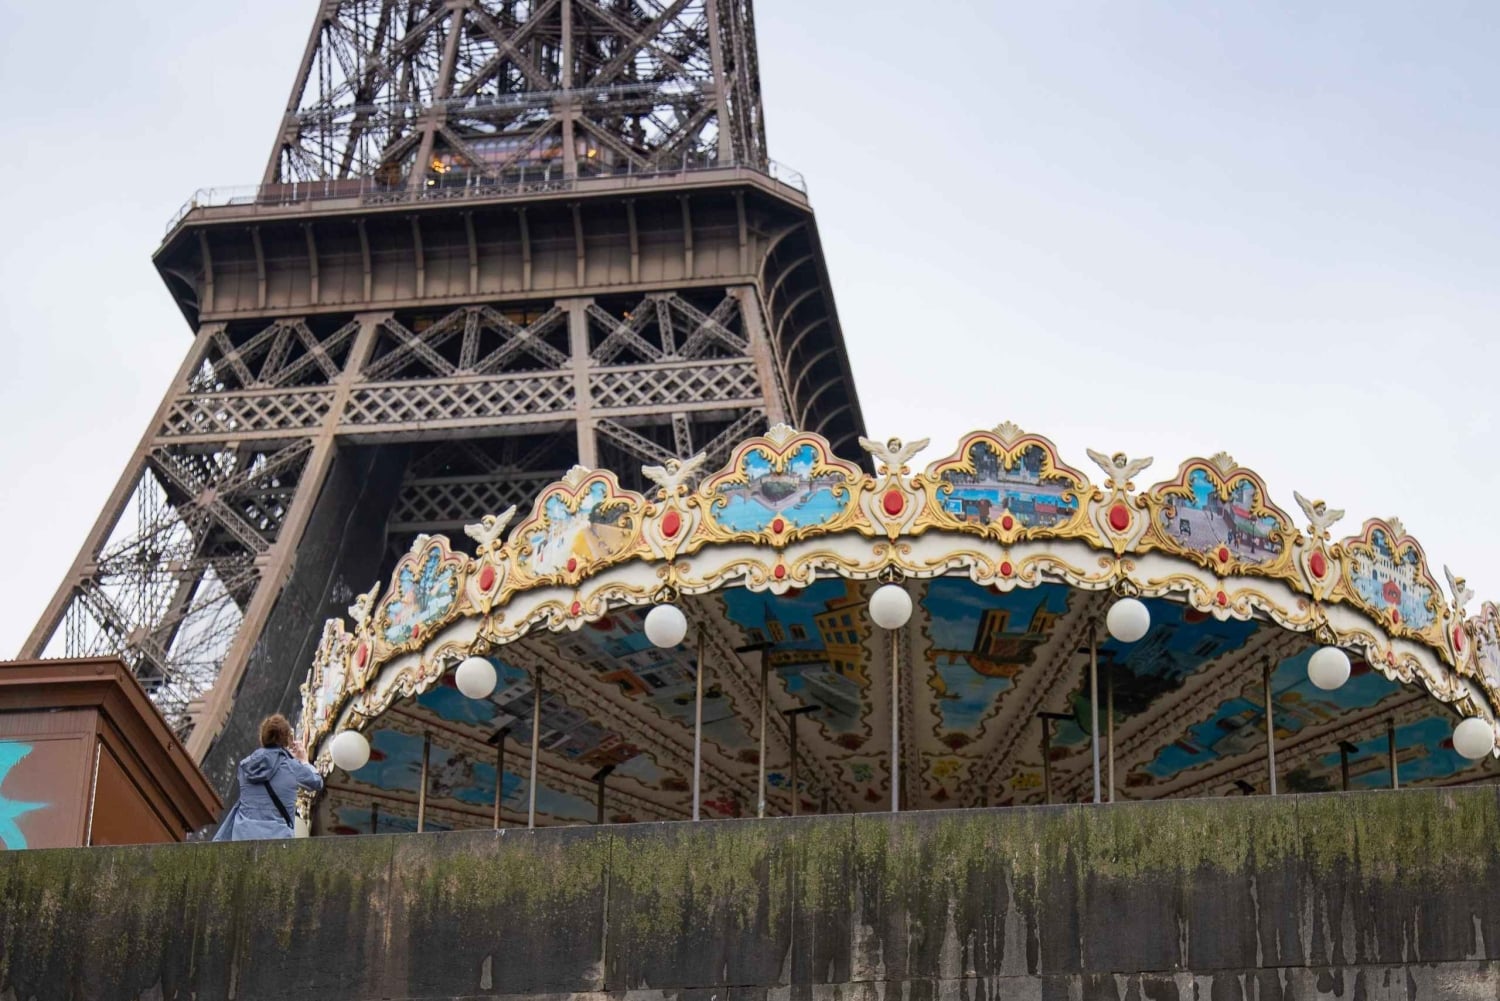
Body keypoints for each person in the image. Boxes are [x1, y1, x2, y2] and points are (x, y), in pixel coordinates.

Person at [213, 714, 324, 841]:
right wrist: (303, 761)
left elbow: (269, 766)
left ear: (263, 738)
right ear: (287, 739)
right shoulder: (291, 767)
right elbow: (317, 782)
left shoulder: (245, 766)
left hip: (242, 835)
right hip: (277, 836)